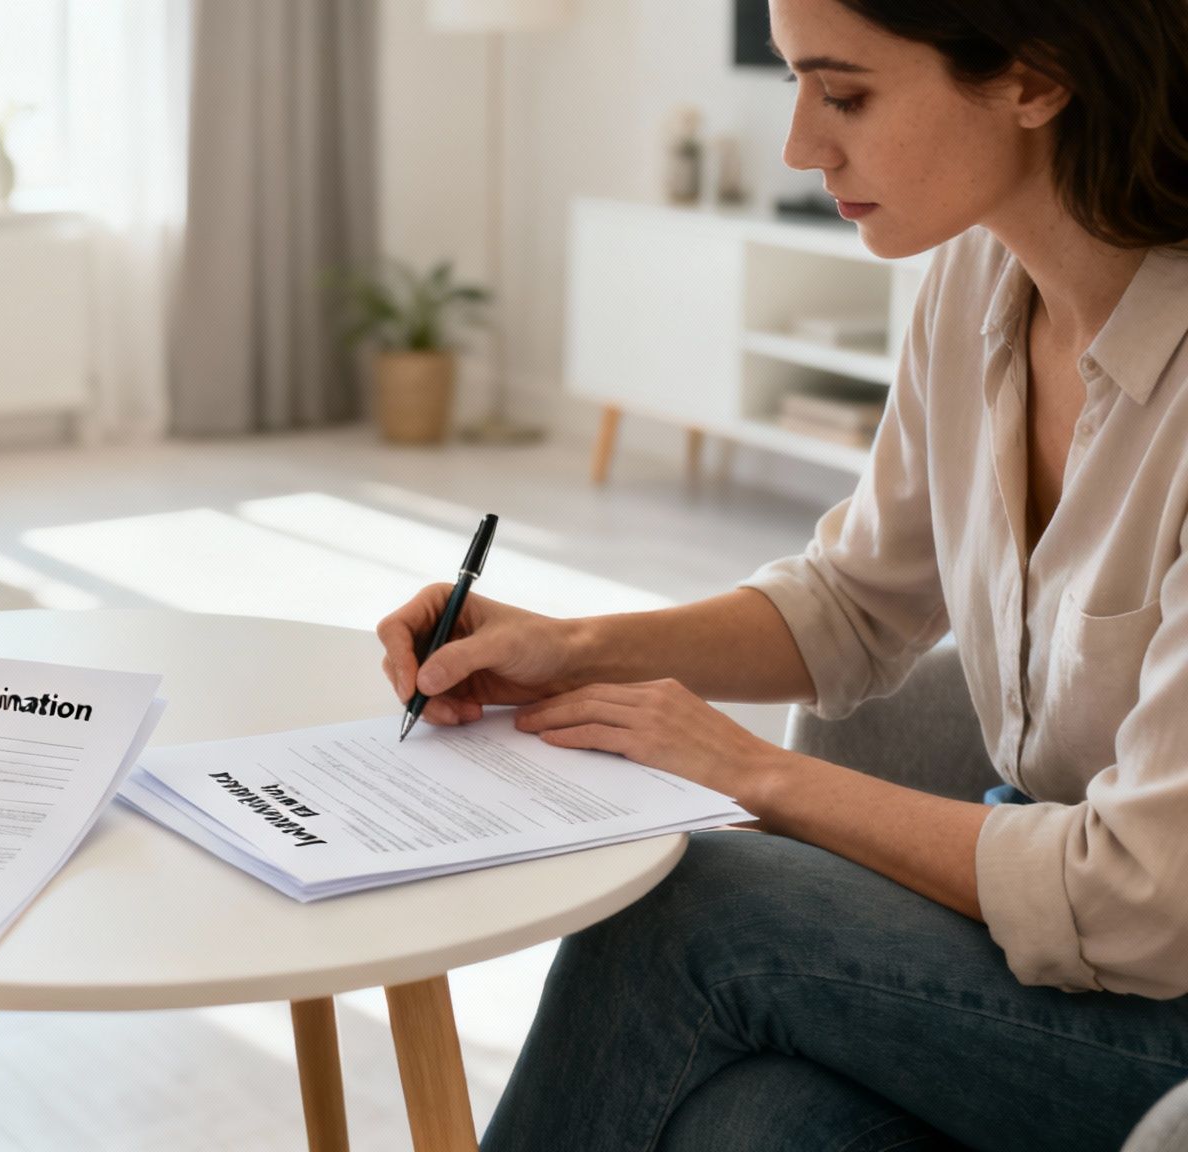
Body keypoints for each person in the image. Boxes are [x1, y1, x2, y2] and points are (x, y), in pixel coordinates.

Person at [377, 0, 1188, 1148]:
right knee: (754, 1124)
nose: (799, 145)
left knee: (691, 906)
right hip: (1053, 947)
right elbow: (853, 601)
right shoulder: (972, 282)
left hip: (1163, 1004)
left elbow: (1142, 900)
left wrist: (749, 773)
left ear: (1032, 79)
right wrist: (571, 649)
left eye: (844, 93)